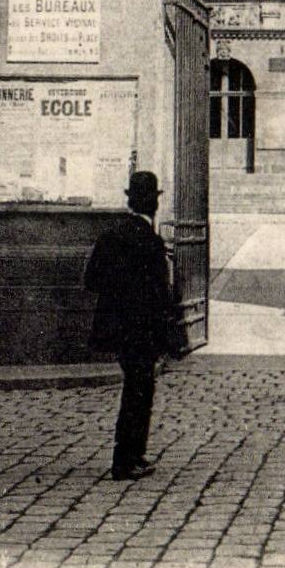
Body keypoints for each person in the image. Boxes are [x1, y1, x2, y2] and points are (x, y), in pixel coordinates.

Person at [84, 171, 176, 481]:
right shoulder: (149, 241)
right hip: (142, 330)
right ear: (152, 203)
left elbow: (91, 280)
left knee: (134, 390)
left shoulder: (111, 234)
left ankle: (130, 456)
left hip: (118, 328)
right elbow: (160, 295)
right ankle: (126, 460)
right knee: (139, 393)